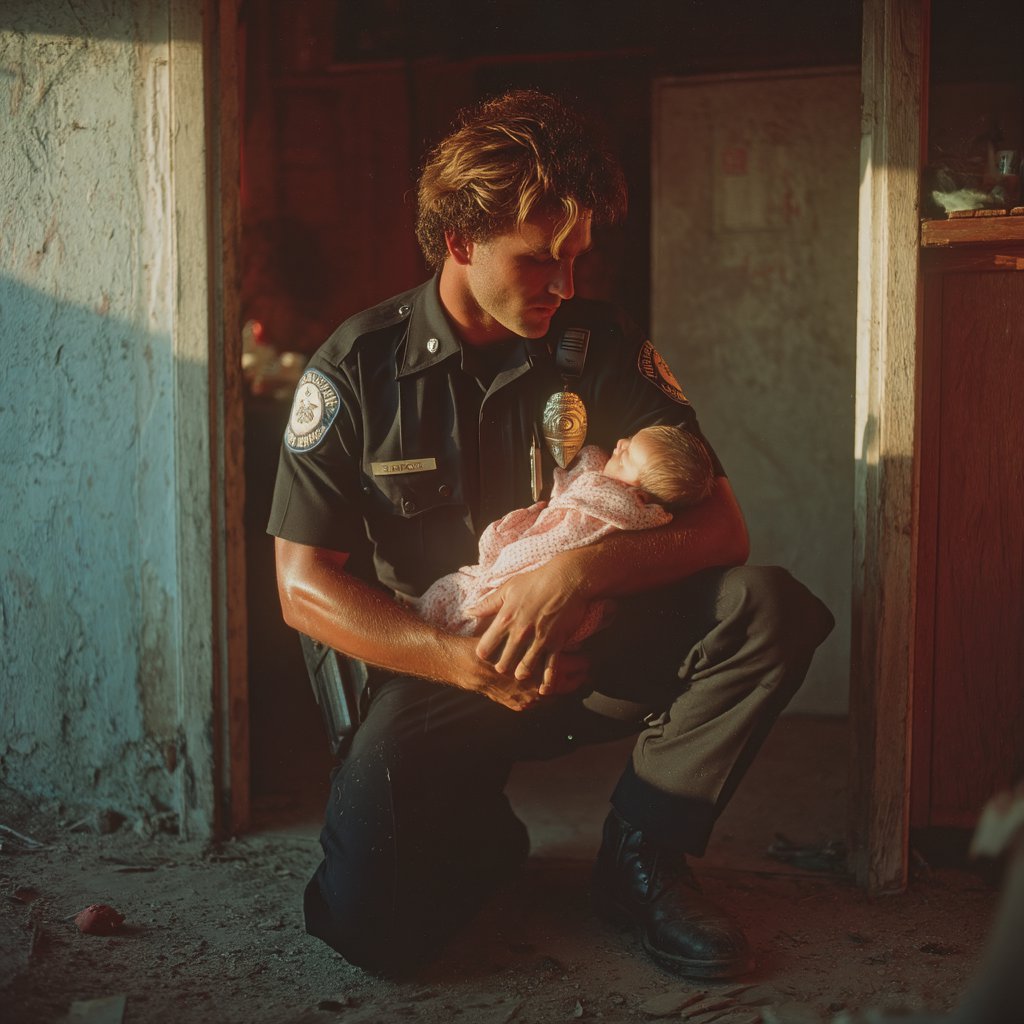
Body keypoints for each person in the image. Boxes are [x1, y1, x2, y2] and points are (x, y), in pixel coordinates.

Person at [269, 89, 834, 979]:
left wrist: (579, 577)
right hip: (445, 668)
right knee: (371, 933)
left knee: (770, 607)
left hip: (595, 653)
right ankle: (479, 834)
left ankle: (643, 855)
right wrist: (466, 663)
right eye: (540, 261)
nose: (565, 284)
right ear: (461, 240)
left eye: (577, 256)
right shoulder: (355, 369)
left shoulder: (601, 342)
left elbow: (724, 526)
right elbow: (302, 586)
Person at [413, 426, 715, 653]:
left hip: (520, 580)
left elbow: (555, 543)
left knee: (456, 606)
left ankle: (425, 629)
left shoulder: (608, 507)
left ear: (639, 497)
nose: (620, 445)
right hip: (516, 588)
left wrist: (502, 554)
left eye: (626, 457)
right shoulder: (611, 493)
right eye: (629, 440)